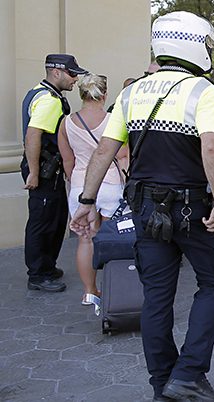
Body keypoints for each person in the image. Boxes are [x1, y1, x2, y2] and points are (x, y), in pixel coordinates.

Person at [69, 12, 214, 401]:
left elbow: (104, 151)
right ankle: (189, 374)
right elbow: (211, 147)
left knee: (156, 296)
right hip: (193, 209)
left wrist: (87, 202)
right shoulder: (203, 91)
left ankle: (162, 384)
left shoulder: (131, 93)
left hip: (145, 210)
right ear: (194, 45)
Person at [58, 74, 128, 304]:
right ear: (104, 94)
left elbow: (67, 160)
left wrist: (75, 181)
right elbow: (122, 154)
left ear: (81, 94)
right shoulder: (113, 119)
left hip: (80, 185)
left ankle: (89, 291)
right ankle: (113, 287)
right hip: (109, 183)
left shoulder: (66, 122)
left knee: (85, 239)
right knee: (112, 239)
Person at [21, 54, 87, 292]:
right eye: (72, 74)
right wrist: (35, 173)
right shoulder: (49, 100)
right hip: (45, 170)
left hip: (47, 169)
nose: (75, 80)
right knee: (44, 222)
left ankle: (47, 266)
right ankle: (39, 274)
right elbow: (33, 135)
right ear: (56, 72)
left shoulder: (39, 92)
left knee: (54, 219)